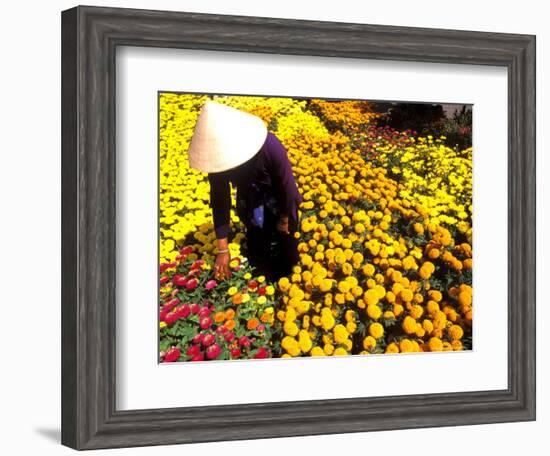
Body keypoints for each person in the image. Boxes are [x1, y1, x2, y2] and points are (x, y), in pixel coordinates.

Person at [187, 99, 303, 281]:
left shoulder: (270, 146)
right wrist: (223, 249)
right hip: (251, 200)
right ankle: (263, 278)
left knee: (288, 246)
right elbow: (220, 201)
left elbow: (287, 187)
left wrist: (285, 217)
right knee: (257, 244)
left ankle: (288, 278)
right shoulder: (218, 161)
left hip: (279, 200)